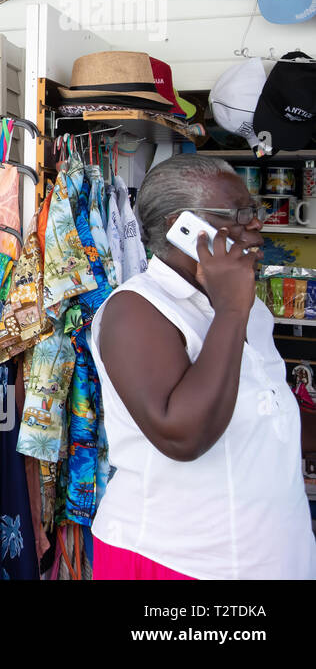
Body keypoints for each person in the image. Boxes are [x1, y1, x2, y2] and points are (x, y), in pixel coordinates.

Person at [92, 154, 316, 579]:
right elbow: (183, 436)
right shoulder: (136, 310)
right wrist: (231, 308)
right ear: (183, 227)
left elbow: (266, 420)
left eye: (255, 211)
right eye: (240, 213)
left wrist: (234, 307)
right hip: (175, 562)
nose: (256, 224)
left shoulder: (251, 311)